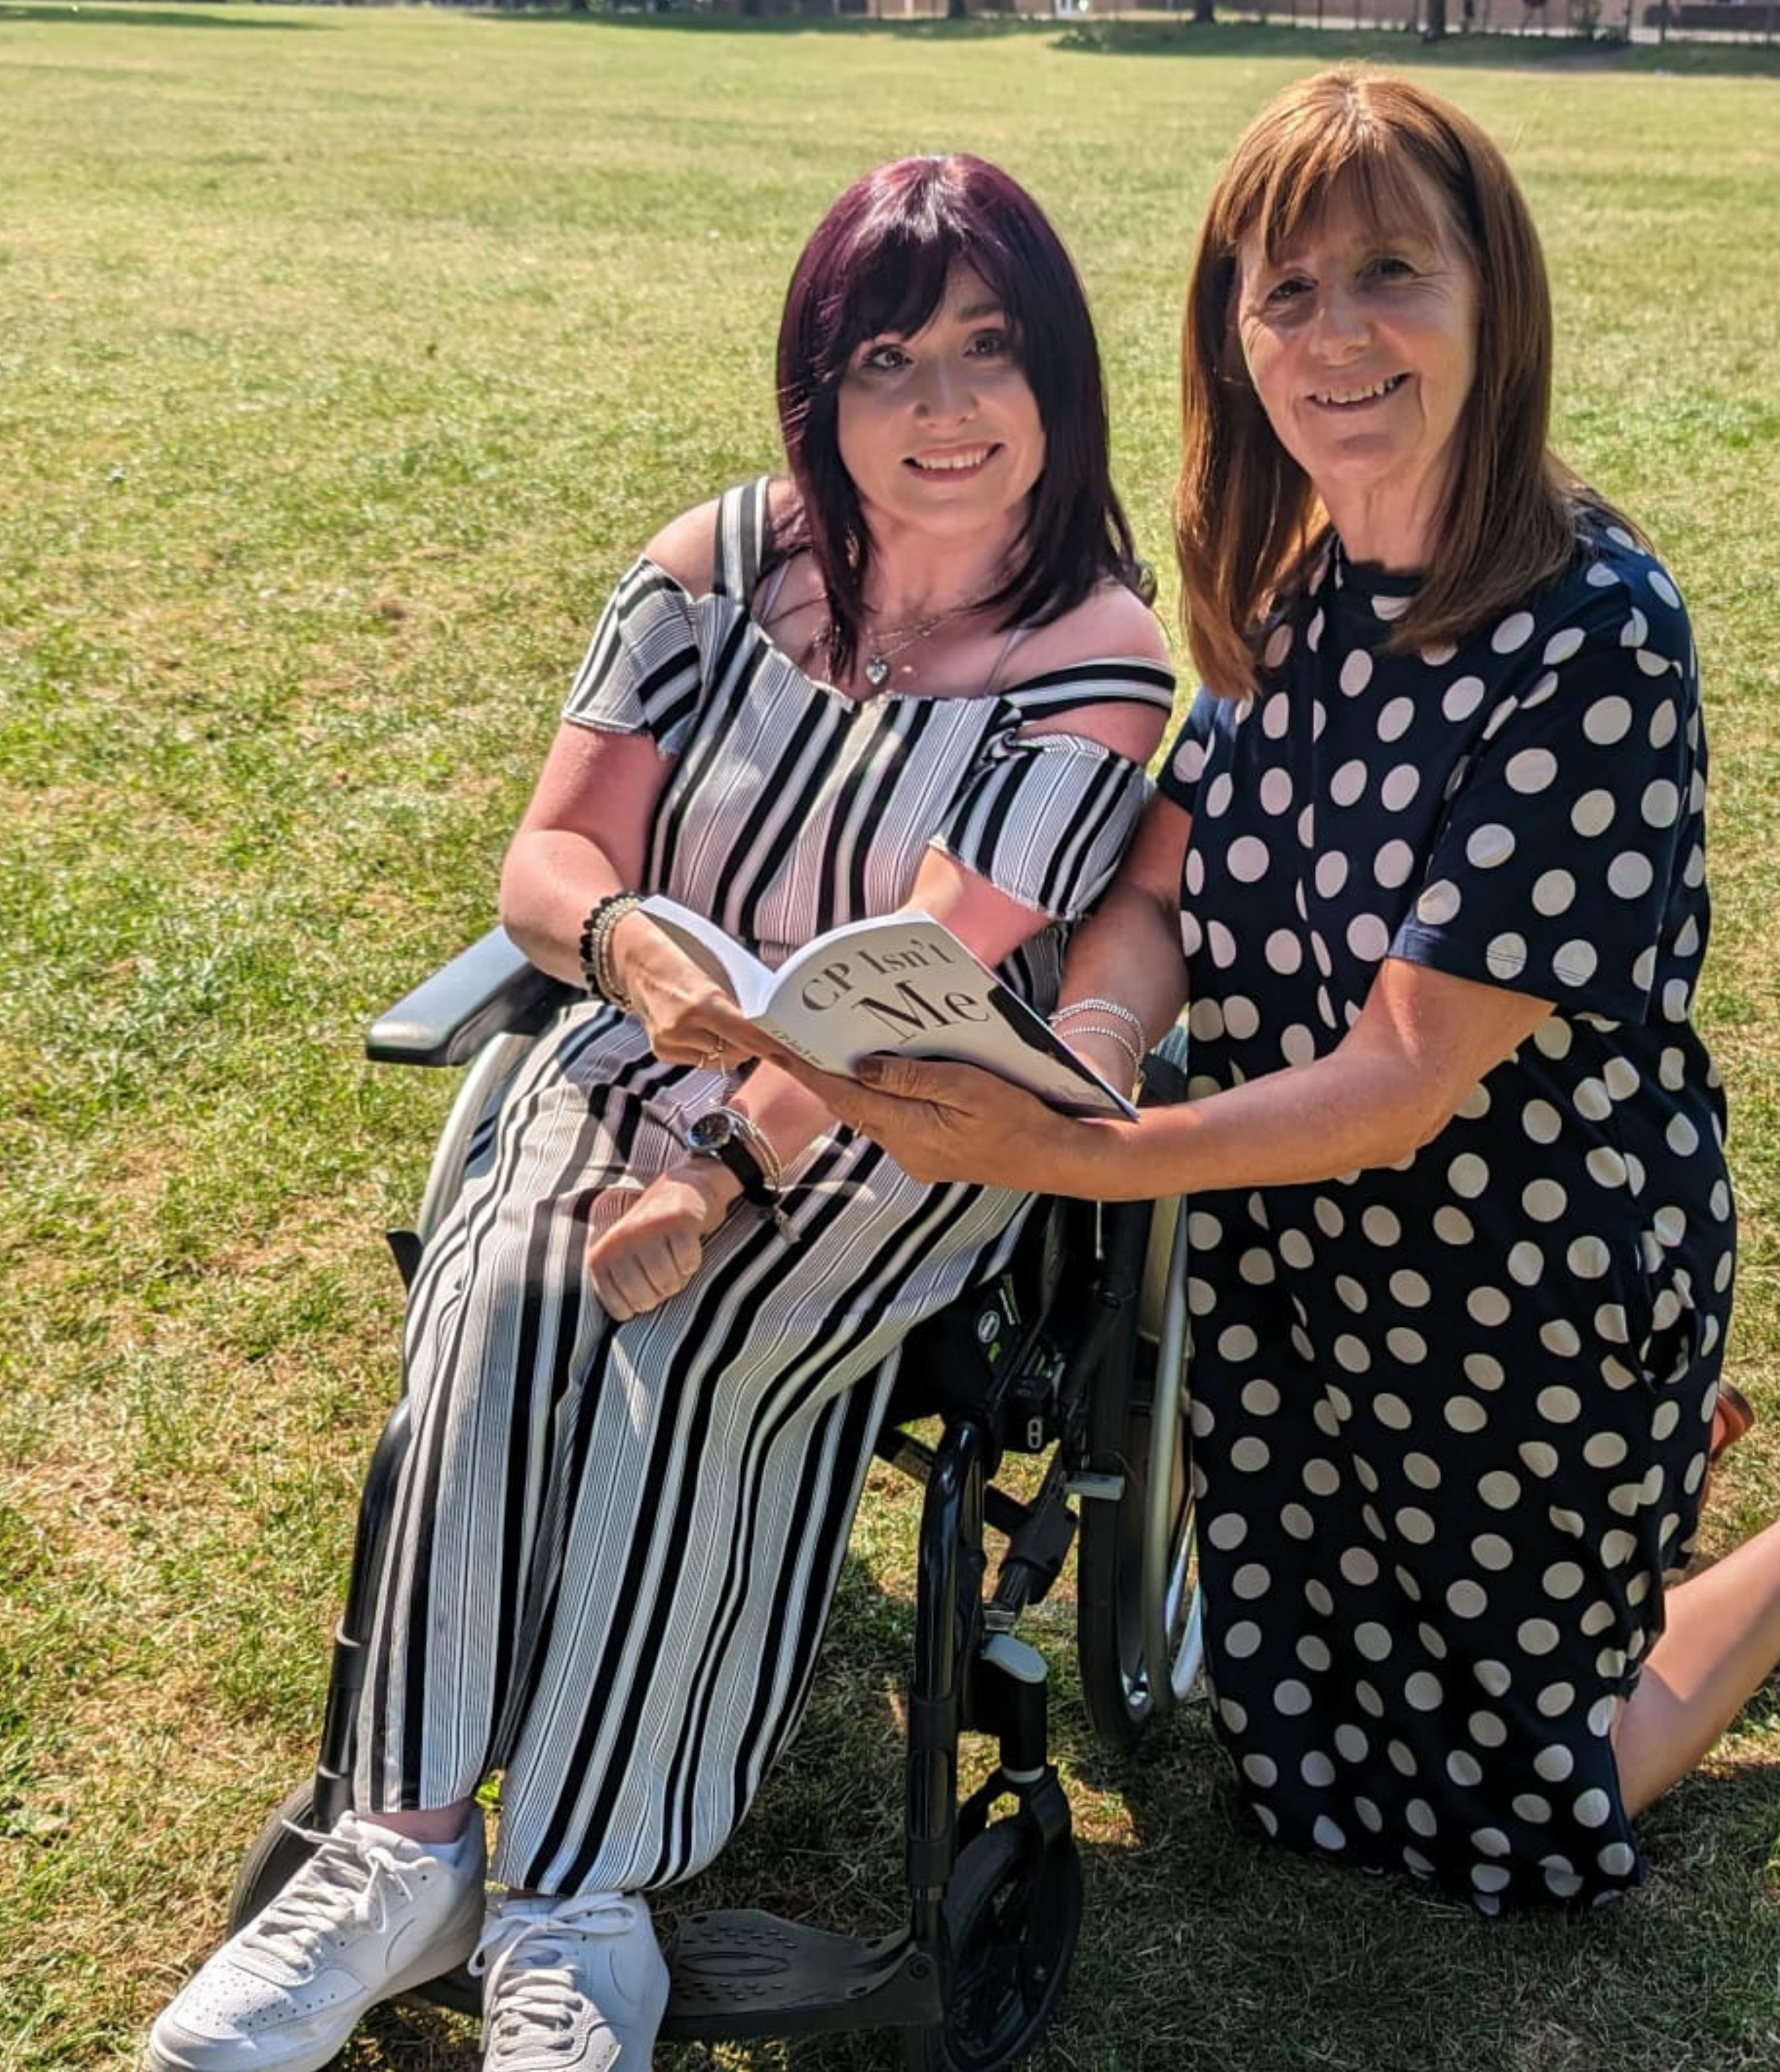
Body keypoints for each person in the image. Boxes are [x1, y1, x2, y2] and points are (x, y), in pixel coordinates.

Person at [801, 69, 1780, 1916]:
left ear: (1494, 300)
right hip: (1290, 1272)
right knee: (1293, 1768)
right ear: (1231, 333)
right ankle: (1649, 1501)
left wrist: (1075, 1155)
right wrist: (1089, 1048)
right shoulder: (1288, 577)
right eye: (1282, 289)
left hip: (1524, 1276)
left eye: (1388, 272)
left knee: (1507, 1824)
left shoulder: (1593, 635)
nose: (1334, 335)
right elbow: (1162, 878)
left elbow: (1408, 1077)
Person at [142, 156, 1174, 2072]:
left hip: (900, 1113)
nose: (941, 411)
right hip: (630, 1047)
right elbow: (547, 853)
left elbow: (920, 967)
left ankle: (583, 1901)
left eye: (986, 354)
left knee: (693, 1352)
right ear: (818, 388)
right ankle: (408, 1844)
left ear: (1056, 381)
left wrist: (722, 1164)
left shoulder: (1097, 658)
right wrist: (619, 943)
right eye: (886, 363)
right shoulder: (713, 562)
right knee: (507, 1302)